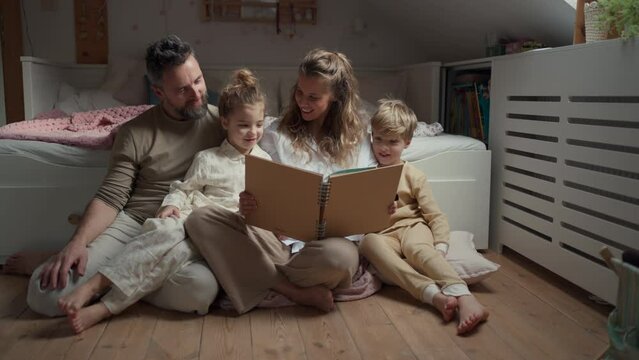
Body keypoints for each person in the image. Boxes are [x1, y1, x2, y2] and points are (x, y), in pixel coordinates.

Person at [22, 34, 226, 317]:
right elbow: (111, 197)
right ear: (159, 91)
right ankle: (120, 278)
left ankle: (116, 282)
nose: (196, 94)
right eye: (182, 90)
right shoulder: (135, 132)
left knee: (200, 291)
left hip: (184, 230)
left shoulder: (224, 124)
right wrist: (77, 243)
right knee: (44, 294)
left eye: (198, 80)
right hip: (135, 225)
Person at [56, 69, 271, 333]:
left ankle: (101, 294)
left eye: (259, 124)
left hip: (225, 234)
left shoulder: (266, 163)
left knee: (171, 253)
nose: (253, 132)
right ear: (224, 122)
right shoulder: (208, 158)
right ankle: (99, 298)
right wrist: (171, 205)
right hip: (189, 223)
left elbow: (268, 207)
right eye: (244, 125)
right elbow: (182, 189)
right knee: (166, 231)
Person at [185, 48, 377, 314]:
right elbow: (255, 182)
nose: (302, 102)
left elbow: (369, 198)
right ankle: (292, 290)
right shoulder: (274, 134)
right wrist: (252, 206)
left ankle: (259, 277)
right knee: (200, 219)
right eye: (299, 92)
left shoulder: (360, 141)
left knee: (339, 258)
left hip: (325, 251)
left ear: (336, 98)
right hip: (277, 245)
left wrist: (379, 209)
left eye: (313, 97)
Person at [359, 99, 489, 335]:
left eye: (393, 142)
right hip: (382, 233)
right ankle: (432, 295)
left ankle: (463, 294)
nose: (384, 147)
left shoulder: (413, 175)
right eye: (378, 139)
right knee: (368, 243)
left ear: (407, 143)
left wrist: (440, 244)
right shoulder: (365, 171)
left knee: (417, 249)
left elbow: (435, 214)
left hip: (412, 227)